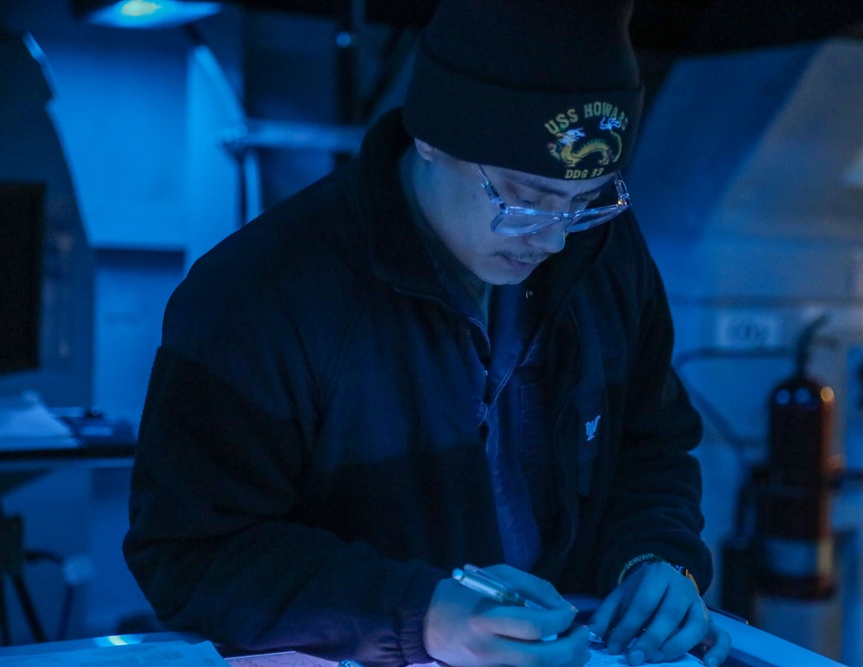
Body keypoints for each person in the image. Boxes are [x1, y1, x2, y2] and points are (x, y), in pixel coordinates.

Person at [123, 1, 731, 666]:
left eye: (585, 201)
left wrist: (656, 555)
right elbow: (192, 554)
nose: (554, 237)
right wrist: (422, 613)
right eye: (524, 199)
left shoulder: (602, 254)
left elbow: (652, 442)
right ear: (433, 141)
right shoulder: (260, 296)